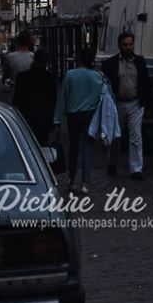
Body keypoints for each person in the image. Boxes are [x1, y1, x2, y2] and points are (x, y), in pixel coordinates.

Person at [54, 46, 105, 193]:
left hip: (73, 115)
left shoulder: (70, 75)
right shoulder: (98, 77)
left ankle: (71, 181)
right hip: (90, 115)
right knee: (87, 147)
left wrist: (57, 119)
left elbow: (63, 98)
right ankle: (85, 183)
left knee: (74, 148)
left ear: (79, 58)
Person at [102, 32, 151, 181]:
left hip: (135, 102)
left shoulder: (140, 62)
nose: (128, 47)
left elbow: (145, 82)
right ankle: (112, 164)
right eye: (125, 45)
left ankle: (136, 169)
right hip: (117, 103)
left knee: (136, 136)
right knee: (115, 136)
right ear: (120, 45)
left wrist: (146, 102)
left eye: (130, 44)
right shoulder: (111, 63)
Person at [13, 48, 57, 146]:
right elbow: (52, 102)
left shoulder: (22, 77)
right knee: (41, 146)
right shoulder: (49, 79)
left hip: (25, 118)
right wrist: (51, 122)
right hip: (43, 119)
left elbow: (16, 100)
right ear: (47, 62)